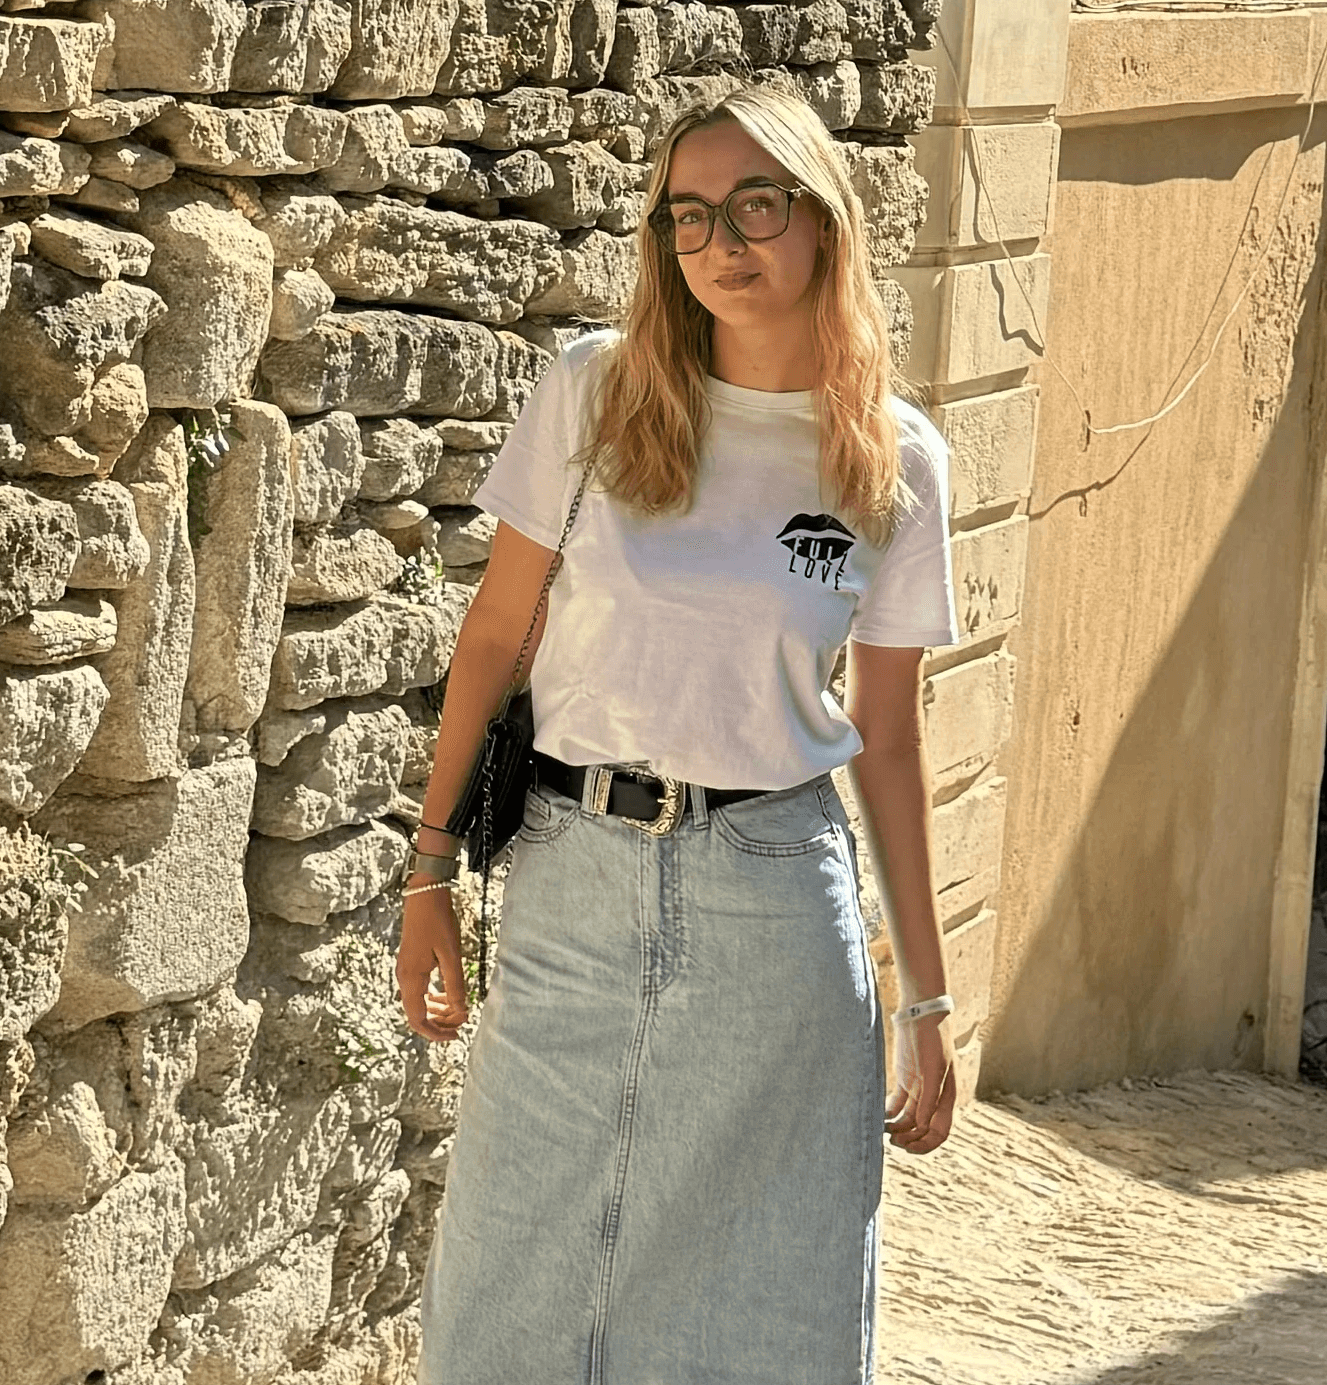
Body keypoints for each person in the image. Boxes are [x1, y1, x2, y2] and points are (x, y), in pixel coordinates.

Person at [398, 81, 960, 1385]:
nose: (722, 239)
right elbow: (494, 636)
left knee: (768, 1298)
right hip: (575, 875)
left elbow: (888, 732)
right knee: (510, 1284)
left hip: (775, 901)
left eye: (756, 204)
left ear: (823, 221)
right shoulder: (597, 393)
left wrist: (923, 997)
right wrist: (429, 866)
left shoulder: (894, 460)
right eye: (690, 213)